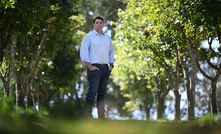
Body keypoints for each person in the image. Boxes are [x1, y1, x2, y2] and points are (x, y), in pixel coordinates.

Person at [80, 16, 115, 119]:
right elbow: (83, 53)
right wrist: (90, 66)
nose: (99, 24)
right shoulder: (88, 37)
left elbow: (111, 53)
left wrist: (111, 65)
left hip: (106, 69)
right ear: (94, 25)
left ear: (103, 24)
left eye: (101, 22)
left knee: (101, 94)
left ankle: (101, 117)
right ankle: (87, 116)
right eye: (97, 23)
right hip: (94, 68)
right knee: (91, 93)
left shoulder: (107, 38)